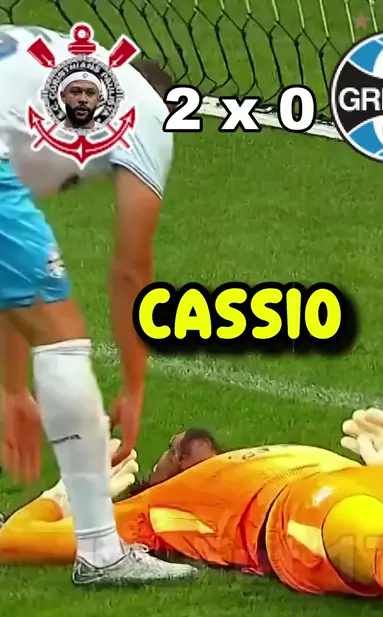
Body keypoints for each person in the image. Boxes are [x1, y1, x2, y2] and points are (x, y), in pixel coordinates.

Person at [0, 23, 197, 586]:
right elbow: (131, 269)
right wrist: (133, 389)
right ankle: (101, 552)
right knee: (63, 341)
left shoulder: (41, 77)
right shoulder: (145, 114)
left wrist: (12, 387)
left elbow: (9, 276)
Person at [1, 410, 383, 617]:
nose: (177, 444)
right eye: (169, 453)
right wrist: (63, 498)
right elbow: (12, 542)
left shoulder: (266, 451)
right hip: (302, 515)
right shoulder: (153, 510)